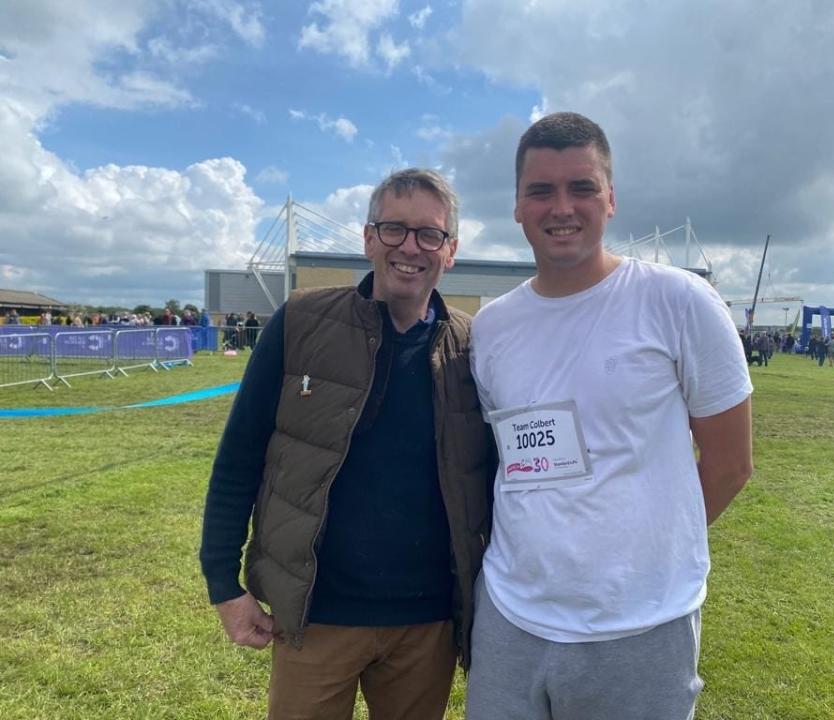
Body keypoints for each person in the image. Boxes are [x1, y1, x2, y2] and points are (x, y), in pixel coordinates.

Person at [466, 112, 753, 720]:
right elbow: (510, 459)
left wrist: (643, 555)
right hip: (511, 616)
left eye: (582, 187)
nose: (561, 207)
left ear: (612, 198)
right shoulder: (491, 327)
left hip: (641, 624)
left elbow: (730, 465)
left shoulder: (680, 301)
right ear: (517, 206)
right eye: (541, 190)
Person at [200, 168, 493, 720]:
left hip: (426, 624)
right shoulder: (301, 323)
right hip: (317, 614)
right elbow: (240, 457)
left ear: (449, 251)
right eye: (393, 229)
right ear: (367, 238)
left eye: (429, 234)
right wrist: (223, 581)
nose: (410, 247)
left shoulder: (474, 347)